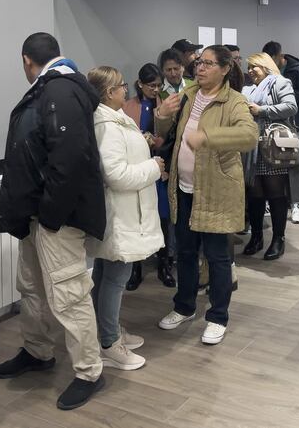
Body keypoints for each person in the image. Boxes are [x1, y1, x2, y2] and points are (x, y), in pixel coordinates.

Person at [0, 32, 106, 410]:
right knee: (31, 288)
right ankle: (37, 351)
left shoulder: (60, 90)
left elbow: (70, 159)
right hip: (37, 215)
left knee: (69, 296)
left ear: (26, 60)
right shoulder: (50, 89)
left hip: (55, 218)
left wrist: (51, 217)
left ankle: (89, 371)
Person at [155, 45, 258, 345]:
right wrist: (162, 115)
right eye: (199, 62)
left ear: (225, 69)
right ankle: (184, 307)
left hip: (215, 191)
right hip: (183, 188)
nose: (200, 68)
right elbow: (166, 131)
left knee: (217, 257)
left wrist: (209, 136)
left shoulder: (234, 101)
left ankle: (217, 316)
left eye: (209, 64)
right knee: (185, 253)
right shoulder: (188, 95)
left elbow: (249, 136)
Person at [86, 66, 165, 371]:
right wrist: (153, 167)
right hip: (120, 214)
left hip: (123, 212)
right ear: (109, 92)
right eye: (121, 86)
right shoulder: (106, 125)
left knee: (106, 274)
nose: (125, 89)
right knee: (116, 277)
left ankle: (107, 331)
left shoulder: (115, 119)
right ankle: (109, 343)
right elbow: (116, 175)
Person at [122, 63, 176, 289]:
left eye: (159, 85)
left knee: (162, 217)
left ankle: (164, 264)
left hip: (160, 168)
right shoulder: (128, 106)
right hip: (137, 169)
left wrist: (155, 141)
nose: (156, 90)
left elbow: (172, 137)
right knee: (137, 218)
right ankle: (136, 269)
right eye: (151, 85)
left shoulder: (166, 104)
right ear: (140, 84)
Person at [241, 52, 298, 260]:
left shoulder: (280, 82)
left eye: (254, 66)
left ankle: (278, 239)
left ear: (265, 66)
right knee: (254, 193)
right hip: (251, 147)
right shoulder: (247, 89)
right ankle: (256, 237)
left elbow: (291, 107)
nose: (250, 71)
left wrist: (262, 110)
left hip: (273, 146)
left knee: (275, 192)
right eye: (248, 67)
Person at [262, 41, 299, 224]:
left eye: (272, 59)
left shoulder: (297, 69)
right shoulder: (265, 73)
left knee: (293, 164)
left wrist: (284, 95)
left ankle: (296, 204)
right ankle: (272, 202)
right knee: (271, 165)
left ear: (279, 56)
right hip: (270, 126)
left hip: (292, 125)